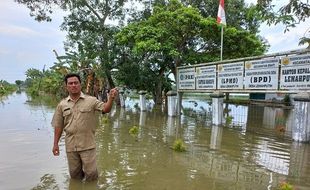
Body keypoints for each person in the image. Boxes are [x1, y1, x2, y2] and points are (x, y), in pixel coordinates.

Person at [52, 73, 118, 181]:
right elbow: (58, 126)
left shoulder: (91, 100)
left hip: (88, 145)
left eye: (76, 83)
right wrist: (55, 144)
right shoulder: (62, 105)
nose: (73, 85)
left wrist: (110, 98)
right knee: (74, 176)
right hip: (71, 146)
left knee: (91, 175)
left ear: (80, 84)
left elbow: (106, 109)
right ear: (66, 86)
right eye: (70, 83)